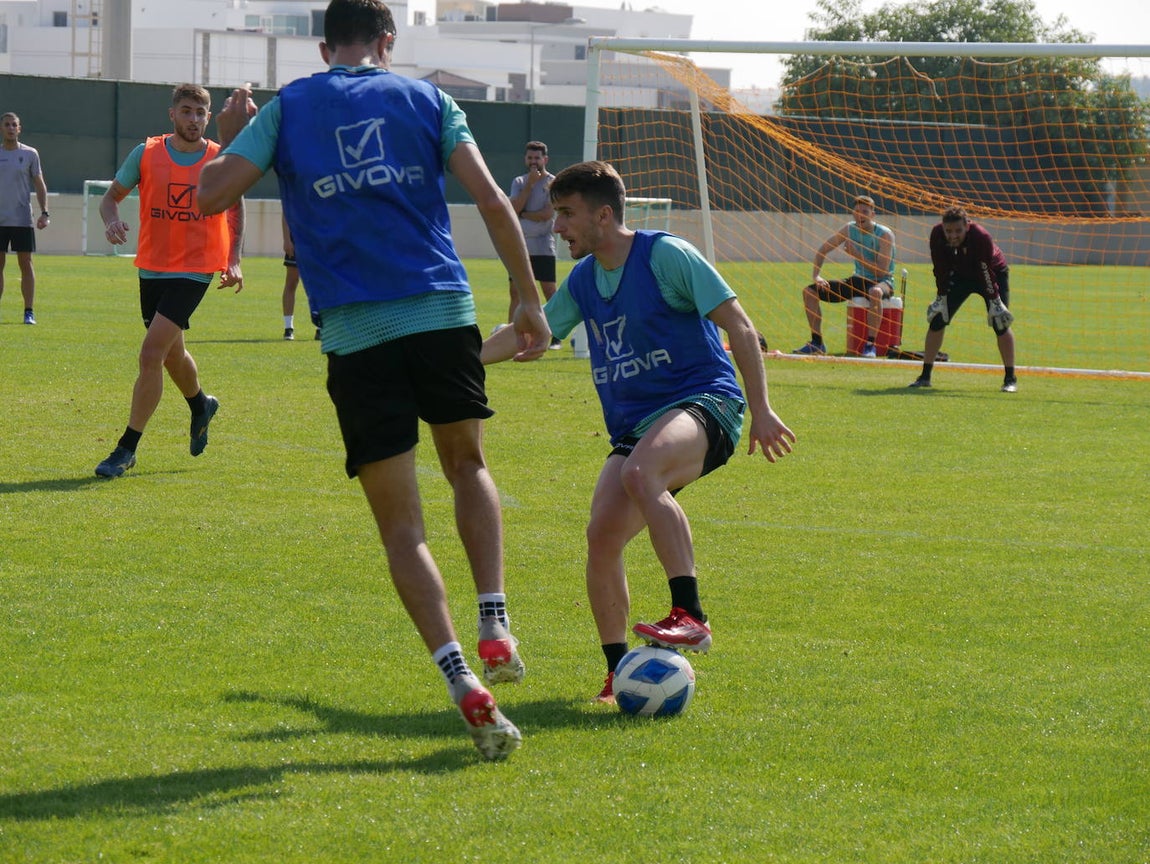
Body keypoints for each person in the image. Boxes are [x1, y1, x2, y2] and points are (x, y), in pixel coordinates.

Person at [196, 0, 551, 760]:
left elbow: (211, 197)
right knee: (468, 464)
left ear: (326, 47)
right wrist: (527, 297)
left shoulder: (290, 106)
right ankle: (494, 619)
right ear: (387, 42)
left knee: (401, 526)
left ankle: (461, 680)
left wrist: (230, 136)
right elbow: (492, 199)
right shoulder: (428, 98)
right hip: (440, 308)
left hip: (356, 330)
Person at [482, 160, 796, 703]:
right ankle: (617, 668)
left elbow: (741, 327)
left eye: (566, 214)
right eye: (556, 214)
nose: (556, 227)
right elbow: (530, 333)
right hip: (638, 424)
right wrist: (454, 366)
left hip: (706, 401)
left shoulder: (665, 255)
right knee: (601, 536)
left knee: (641, 471)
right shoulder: (584, 279)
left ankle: (690, 613)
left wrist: (762, 408)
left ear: (604, 215)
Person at [93, 84, 246, 479]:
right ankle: (200, 405)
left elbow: (235, 205)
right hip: (153, 266)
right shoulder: (146, 153)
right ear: (172, 114)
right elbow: (110, 198)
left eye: (200, 112)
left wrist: (234, 259)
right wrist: (111, 220)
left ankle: (126, 449)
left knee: (150, 354)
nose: (193, 119)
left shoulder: (217, 159)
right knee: (172, 354)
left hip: (196, 267)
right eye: (187, 111)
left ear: (208, 118)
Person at [909, 206, 1017, 392]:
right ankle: (925, 376)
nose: (953, 236)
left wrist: (995, 301)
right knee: (937, 320)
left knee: (1000, 322)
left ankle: (1010, 379)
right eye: (949, 231)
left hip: (992, 274)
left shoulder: (981, 237)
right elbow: (940, 268)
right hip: (961, 275)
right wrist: (941, 297)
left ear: (967, 225)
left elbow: (986, 270)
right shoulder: (937, 235)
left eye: (958, 230)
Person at [793, 194, 896, 358]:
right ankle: (817, 343)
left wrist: (856, 254)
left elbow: (882, 271)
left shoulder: (885, 235)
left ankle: (870, 346)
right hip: (857, 280)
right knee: (809, 292)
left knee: (875, 292)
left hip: (881, 282)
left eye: (865, 211)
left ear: (872, 215)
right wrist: (817, 276)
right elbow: (823, 250)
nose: (860, 215)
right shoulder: (849, 229)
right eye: (856, 211)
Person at [507, 140, 560, 348]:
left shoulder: (552, 182)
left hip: (543, 246)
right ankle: (511, 335)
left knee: (548, 290)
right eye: (530, 157)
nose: (533, 161)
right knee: (515, 292)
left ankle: (555, 335)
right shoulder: (519, 182)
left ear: (545, 159)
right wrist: (529, 185)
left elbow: (547, 214)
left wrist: (524, 213)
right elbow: (513, 208)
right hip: (520, 246)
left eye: (537, 157)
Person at [0, 111, 50, 325]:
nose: (11, 128)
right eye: (7, 124)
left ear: (19, 129)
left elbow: (39, 183)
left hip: (22, 219)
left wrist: (44, 212)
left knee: (26, 263)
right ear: (1, 128)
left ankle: (28, 311)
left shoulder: (30, 154)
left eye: (14, 125)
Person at [280, 216, 320, 340]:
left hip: (316, 241)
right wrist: (287, 240)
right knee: (292, 282)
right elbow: (286, 215)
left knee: (318, 284)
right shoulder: (295, 196)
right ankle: (288, 328)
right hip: (296, 239)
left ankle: (320, 327)